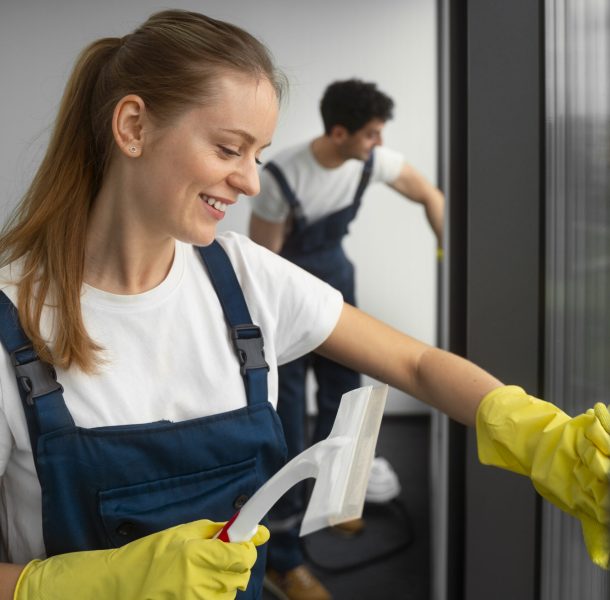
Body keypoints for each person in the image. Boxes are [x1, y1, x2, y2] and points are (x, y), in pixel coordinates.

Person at [0, 9, 607, 600]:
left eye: (257, 155)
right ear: (132, 126)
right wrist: (73, 588)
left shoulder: (242, 278)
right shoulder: (11, 320)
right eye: (227, 148)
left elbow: (416, 364)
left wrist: (539, 437)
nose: (251, 182)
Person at [248, 78, 444, 598]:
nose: (378, 144)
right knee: (286, 421)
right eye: (371, 135)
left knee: (346, 404)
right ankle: (283, 558)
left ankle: (335, 504)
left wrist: (450, 250)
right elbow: (262, 263)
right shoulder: (282, 175)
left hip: (338, 291)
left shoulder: (370, 161)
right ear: (339, 133)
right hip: (288, 302)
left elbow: (428, 194)